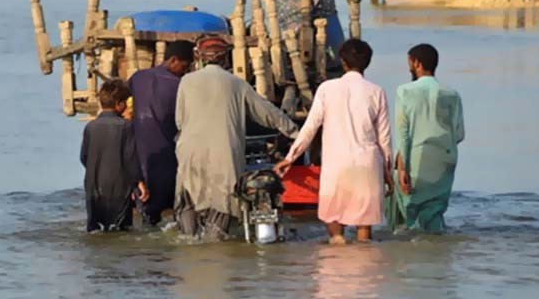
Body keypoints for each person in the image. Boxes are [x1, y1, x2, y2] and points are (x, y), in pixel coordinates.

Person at [173, 35, 299, 240]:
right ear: (225, 59)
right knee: (221, 205)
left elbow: (180, 120)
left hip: (190, 151)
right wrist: (295, 132)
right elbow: (268, 112)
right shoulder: (236, 83)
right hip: (225, 153)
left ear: (200, 58)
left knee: (189, 200)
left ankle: (189, 241)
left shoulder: (186, 81)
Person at [274, 39, 393, 244]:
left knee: (335, 226)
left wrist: (290, 158)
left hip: (336, 166)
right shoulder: (376, 92)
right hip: (367, 165)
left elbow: (310, 128)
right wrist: (388, 173)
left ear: (342, 61)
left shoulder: (327, 89)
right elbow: (384, 140)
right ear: (367, 63)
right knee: (364, 232)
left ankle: (336, 258)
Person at [388, 44, 465, 233]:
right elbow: (460, 134)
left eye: (410, 63)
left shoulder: (404, 91)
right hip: (445, 160)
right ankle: (438, 258)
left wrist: (403, 166)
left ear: (417, 63)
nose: (409, 68)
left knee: (409, 212)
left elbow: (403, 133)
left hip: (416, 158)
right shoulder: (452, 94)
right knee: (435, 214)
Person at [128, 41, 195, 225]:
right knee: (174, 211)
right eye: (184, 66)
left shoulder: (138, 78)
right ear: (173, 60)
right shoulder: (179, 86)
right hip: (167, 156)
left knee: (147, 214)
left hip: (140, 159)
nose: (185, 70)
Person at [80, 80, 149, 232]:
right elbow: (130, 158)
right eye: (125, 102)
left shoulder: (90, 127)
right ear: (119, 104)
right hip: (119, 188)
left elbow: (84, 157)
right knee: (121, 230)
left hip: (93, 188)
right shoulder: (126, 127)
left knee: (95, 230)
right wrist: (139, 182)